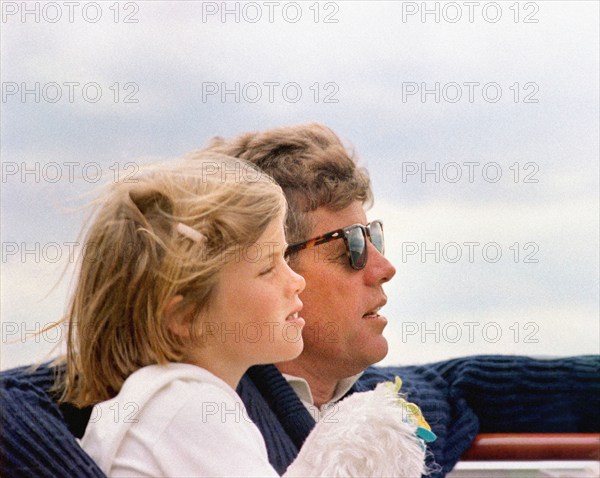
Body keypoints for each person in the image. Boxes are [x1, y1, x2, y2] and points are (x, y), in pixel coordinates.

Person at [1, 125, 598, 478]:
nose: (384, 266)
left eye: (378, 235)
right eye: (353, 245)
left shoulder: (382, 405)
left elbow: (478, 383)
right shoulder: (170, 390)